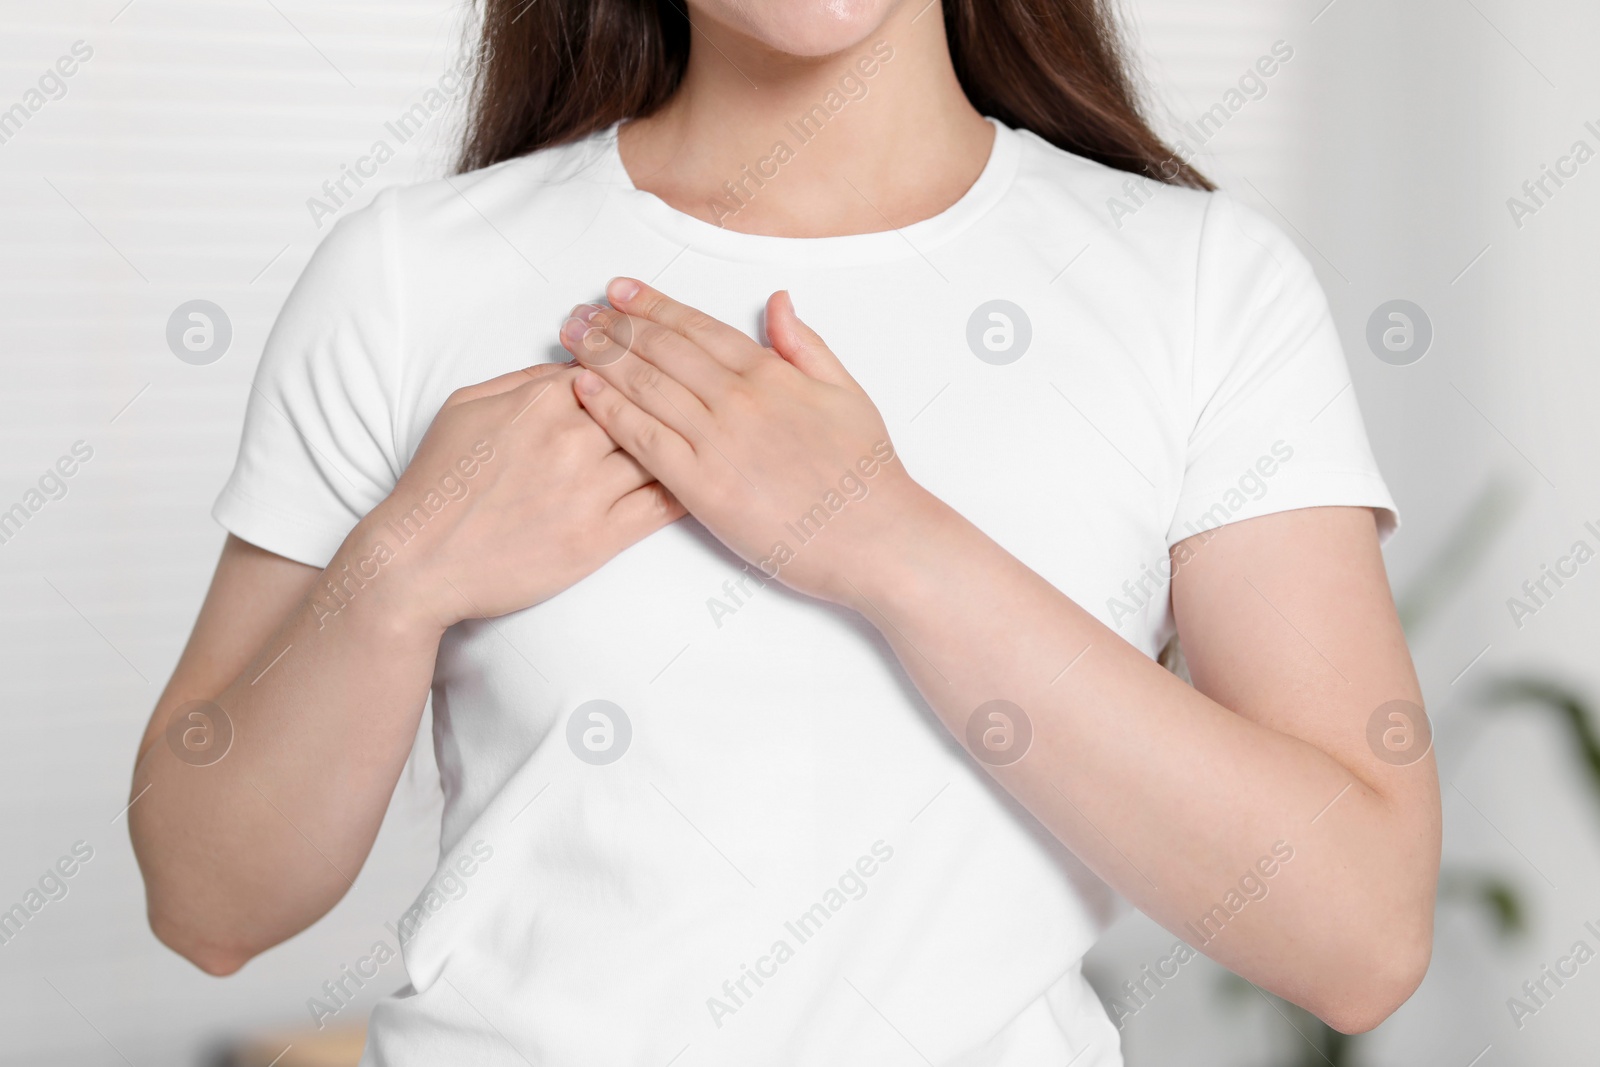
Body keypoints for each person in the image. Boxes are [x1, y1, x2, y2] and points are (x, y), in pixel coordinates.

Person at [129, 1, 1442, 1063]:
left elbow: (1359, 937)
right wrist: (400, 573)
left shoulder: (1202, 289)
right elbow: (207, 902)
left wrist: (883, 537)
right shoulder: (415, 275)